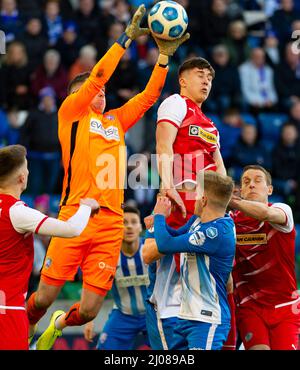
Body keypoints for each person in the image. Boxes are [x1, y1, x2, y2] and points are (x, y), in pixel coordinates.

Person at [26, 5, 189, 351]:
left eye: (101, 91)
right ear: (77, 93)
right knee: (42, 298)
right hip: (74, 216)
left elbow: (147, 99)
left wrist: (162, 60)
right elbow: (99, 75)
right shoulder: (71, 113)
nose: (100, 91)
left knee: (87, 312)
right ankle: (17, 333)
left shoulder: (115, 121)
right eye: (92, 89)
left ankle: (58, 325)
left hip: (110, 223)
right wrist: (126, 38)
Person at [0, 144, 99, 350]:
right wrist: (86, 207)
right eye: (26, 168)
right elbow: (72, 229)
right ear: (21, 178)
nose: (28, 172)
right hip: (7, 310)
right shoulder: (17, 212)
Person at [143, 171, 236, 350]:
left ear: (204, 200)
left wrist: (160, 215)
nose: (192, 198)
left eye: (196, 193)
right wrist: (155, 225)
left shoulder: (215, 233)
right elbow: (174, 235)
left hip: (207, 319)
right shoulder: (197, 222)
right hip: (187, 317)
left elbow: (165, 244)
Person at [230, 165, 300, 350]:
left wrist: (233, 201)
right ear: (240, 190)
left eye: (258, 180)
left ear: (269, 189)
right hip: (250, 308)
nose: (252, 185)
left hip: (285, 306)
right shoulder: (230, 222)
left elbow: (266, 213)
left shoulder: (282, 210)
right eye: (246, 182)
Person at [84, 206, 149, 350]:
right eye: (124, 222)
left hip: (152, 314)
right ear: (117, 227)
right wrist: (89, 319)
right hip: (123, 314)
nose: (129, 226)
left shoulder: (151, 250)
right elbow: (97, 289)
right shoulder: (109, 256)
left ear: (140, 227)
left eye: (134, 222)